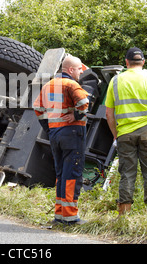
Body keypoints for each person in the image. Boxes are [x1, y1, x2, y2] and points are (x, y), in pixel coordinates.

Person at [105, 47, 147, 216]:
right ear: (143, 62)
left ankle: (124, 215)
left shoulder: (115, 81)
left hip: (124, 134)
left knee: (127, 173)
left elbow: (109, 113)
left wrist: (116, 134)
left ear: (126, 62)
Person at [33, 55, 89, 225]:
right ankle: (71, 217)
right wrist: (77, 114)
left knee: (61, 174)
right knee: (72, 174)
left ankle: (59, 215)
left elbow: (37, 108)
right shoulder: (71, 84)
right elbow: (84, 103)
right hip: (72, 134)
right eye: (79, 68)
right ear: (70, 70)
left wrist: (49, 129)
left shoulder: (49, 85)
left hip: (55, 135)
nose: (81, 71)